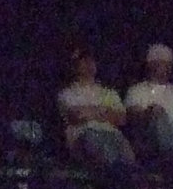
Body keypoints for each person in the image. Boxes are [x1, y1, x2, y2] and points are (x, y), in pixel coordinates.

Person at [56, 43, 136, 173]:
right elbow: (76, 116)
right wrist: (104, 111)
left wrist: (90, 111)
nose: (88, 63)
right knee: (95, 141)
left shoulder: (109, 93)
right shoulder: (67, 93)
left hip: (112, 134)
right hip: (83, 135)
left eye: (91, 60)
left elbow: (121, 119)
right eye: (83, 60)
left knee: (127, 154)